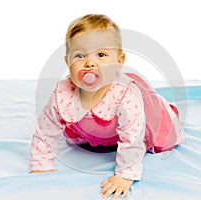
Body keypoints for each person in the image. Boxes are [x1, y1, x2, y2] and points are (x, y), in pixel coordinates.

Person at [29, 14, 184, 200]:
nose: (90, 63)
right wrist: (42, 165)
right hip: (95, 129)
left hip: (137, 121)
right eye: (79, 55)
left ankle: (164, 107)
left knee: (160, 132)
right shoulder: (62, 94)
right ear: (67, 62)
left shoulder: (126, 97)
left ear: (119, 61)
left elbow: (132, 139)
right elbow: (45, 131)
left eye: (101, 55)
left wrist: (125, 176)